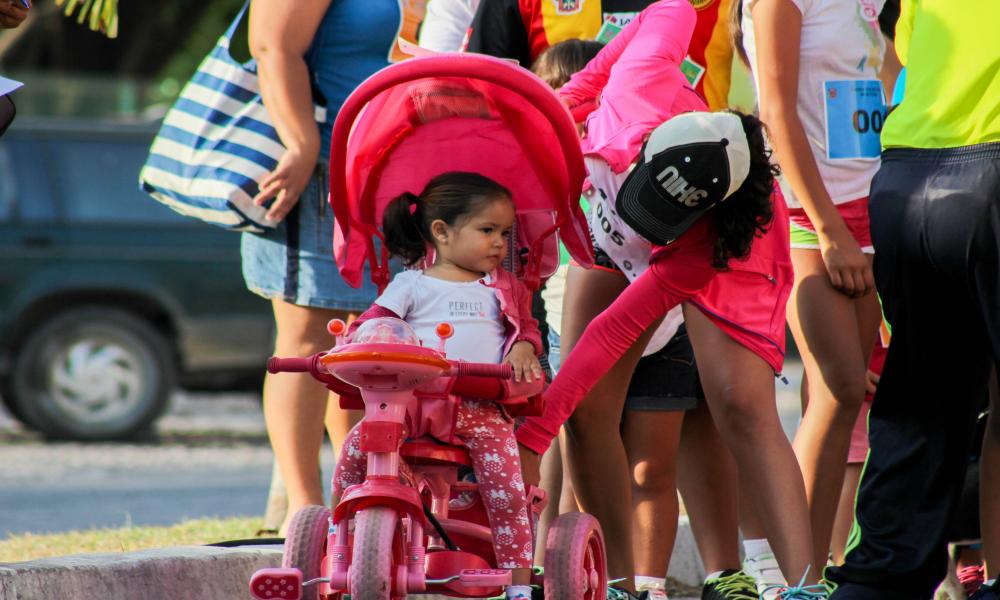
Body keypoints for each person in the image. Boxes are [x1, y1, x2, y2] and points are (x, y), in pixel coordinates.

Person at [515, 4, 821, 598]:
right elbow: (667, 8)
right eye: (648, 210)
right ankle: (622, 585)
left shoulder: (702, 243)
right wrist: (559, 109)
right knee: (584, 414)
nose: (650, 226)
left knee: (740, 404)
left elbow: (610, 335)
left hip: (727, 228)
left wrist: (534, 428)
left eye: (663, 222)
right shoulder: (640, 78)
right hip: (604, 212)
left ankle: (804, 584)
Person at [822, 0, 1000, 597]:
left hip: (906, 180)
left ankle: (875, 583)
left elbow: (897, 54)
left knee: (920, 405)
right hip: (990, 168)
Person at [739, 0, 899, 575]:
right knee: (837, 389)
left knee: (845, 395)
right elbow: (776, 114)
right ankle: (796, 577)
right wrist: (829, 228)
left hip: (875, 204)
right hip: (813, 216)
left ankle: (820, 570)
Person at [333, 172, 543, 600]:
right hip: (409, 404)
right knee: (355, 451)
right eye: (487, 231)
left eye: (505, 232)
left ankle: (518, 584)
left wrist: (523, 346)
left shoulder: (503, 287)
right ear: (442, 232)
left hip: (479, 408)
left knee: (506, 491)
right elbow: (378, 323)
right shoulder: (412, 283)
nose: (500, 243)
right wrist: (353, 341)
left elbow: (527, 331)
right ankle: (343, 538)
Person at [244, 0, 403, 534]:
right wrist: (302, 141)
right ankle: (303, 509)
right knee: (308, 339)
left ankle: (354, 497)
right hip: (318, 172)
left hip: (397, 175)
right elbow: (271, 43)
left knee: (364, 342)